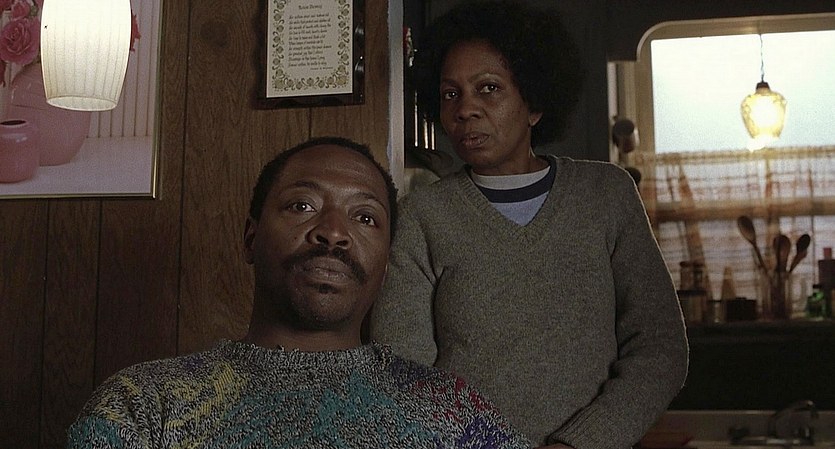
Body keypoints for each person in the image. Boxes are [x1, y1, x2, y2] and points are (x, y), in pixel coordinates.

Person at [66, 137, 533, 449]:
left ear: (386, 264)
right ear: (250, 239)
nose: (334, 232)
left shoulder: (454, 415)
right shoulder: (143, 406)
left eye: (365, 217)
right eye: (302, 205)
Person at [369, 2, 689, 448]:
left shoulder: (606, 195)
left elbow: (660, 349)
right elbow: (403, 368)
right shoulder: (423, 214)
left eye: (488, 88)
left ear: (534, 104)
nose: (465, 109)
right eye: (450, 94)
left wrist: (581, 443)